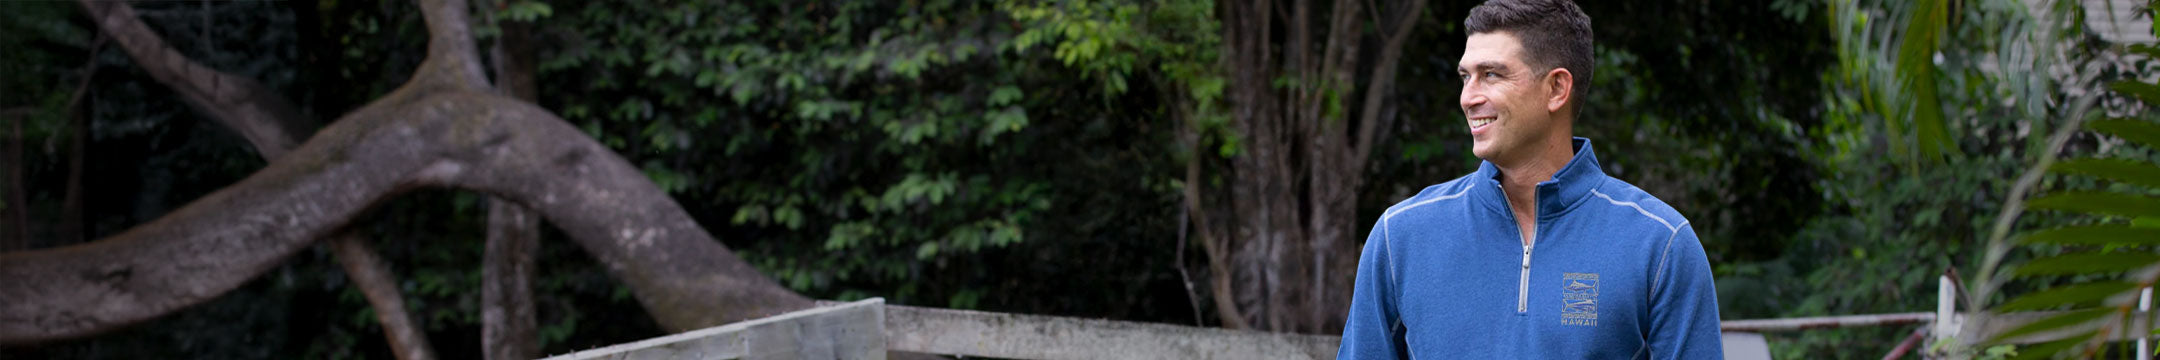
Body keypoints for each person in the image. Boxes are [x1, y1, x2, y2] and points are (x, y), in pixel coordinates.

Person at [1334, 0, 1723, 358]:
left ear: (1556, 88)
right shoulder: (1400, 236)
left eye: (1491, 75)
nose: (1468, 97)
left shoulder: (1660, 244)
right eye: (1465, 77)